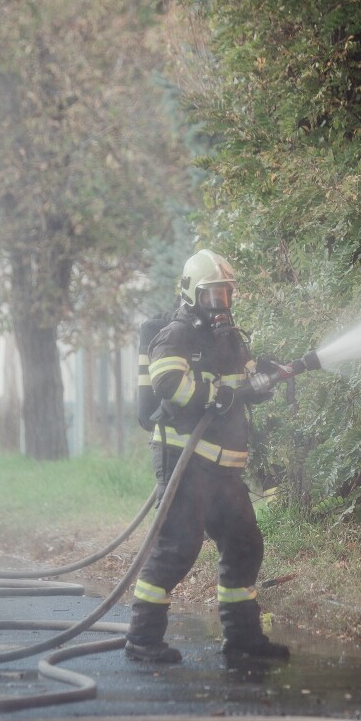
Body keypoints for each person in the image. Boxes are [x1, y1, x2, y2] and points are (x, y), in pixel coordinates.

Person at [126, 250, 288, 664]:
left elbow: (242, 382)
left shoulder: (230, 337)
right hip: (186, 461)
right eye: (212, 295)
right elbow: (167, 383)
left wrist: (262, 380)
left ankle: (242, 641)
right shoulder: (177, 334)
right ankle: (143, 639)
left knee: (244, 545)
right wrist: (217, 393)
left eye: (226, 294)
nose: (221, 304)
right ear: (191, 294)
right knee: (177, 548)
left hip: (222, 470)